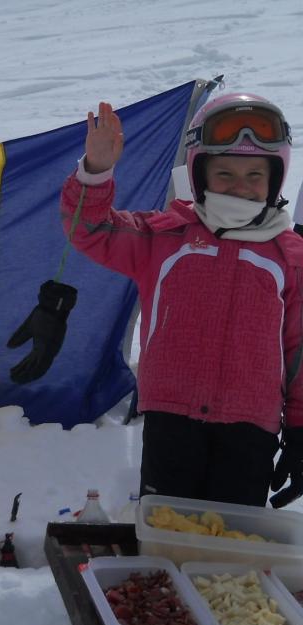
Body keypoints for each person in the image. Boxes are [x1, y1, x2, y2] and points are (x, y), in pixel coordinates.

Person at [61, 92, 303, 508]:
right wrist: (97, 171)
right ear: (200, 173)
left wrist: (299, 427)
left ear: (275, 177)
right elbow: (91, 230)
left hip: (251, 430)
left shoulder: (290, 256)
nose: (240, 187)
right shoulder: (164, 236)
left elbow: (299, 351)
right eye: (225, 173)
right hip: (172, 418)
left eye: (253, 174)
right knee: (168, 530)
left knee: (232, 547)